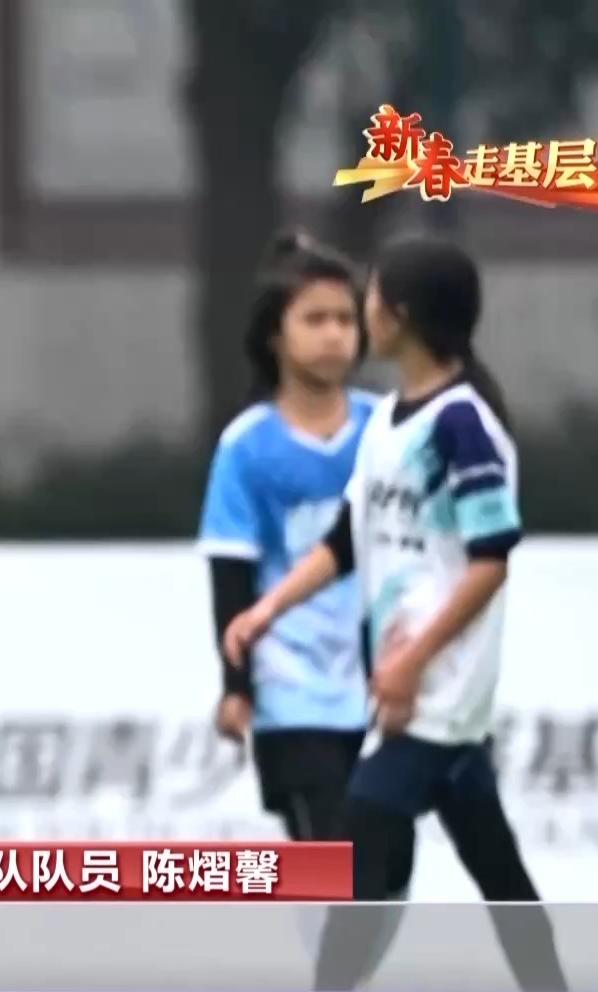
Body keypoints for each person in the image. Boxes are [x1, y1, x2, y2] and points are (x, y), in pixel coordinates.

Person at [223, 236, 567, 991]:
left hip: (440, 697)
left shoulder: (462, 424)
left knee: (358, 856)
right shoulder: (385, 424)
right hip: (417, 697)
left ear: (401, 315)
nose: (361, 313)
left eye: (370, 298)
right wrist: (269, 608)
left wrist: (411, 663)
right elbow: (346, 540)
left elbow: (490, 560)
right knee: (500, 874)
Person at [199, 230, 376, 844]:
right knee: (329, 847)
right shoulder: (246, 447)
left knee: (384, 859)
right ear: (276, 334)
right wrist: (236, 688)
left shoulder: (386, 431)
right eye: (315, 319)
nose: (333, 334)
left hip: (378, 686)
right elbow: (230, 574)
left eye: (345, 320)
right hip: (289, 691)